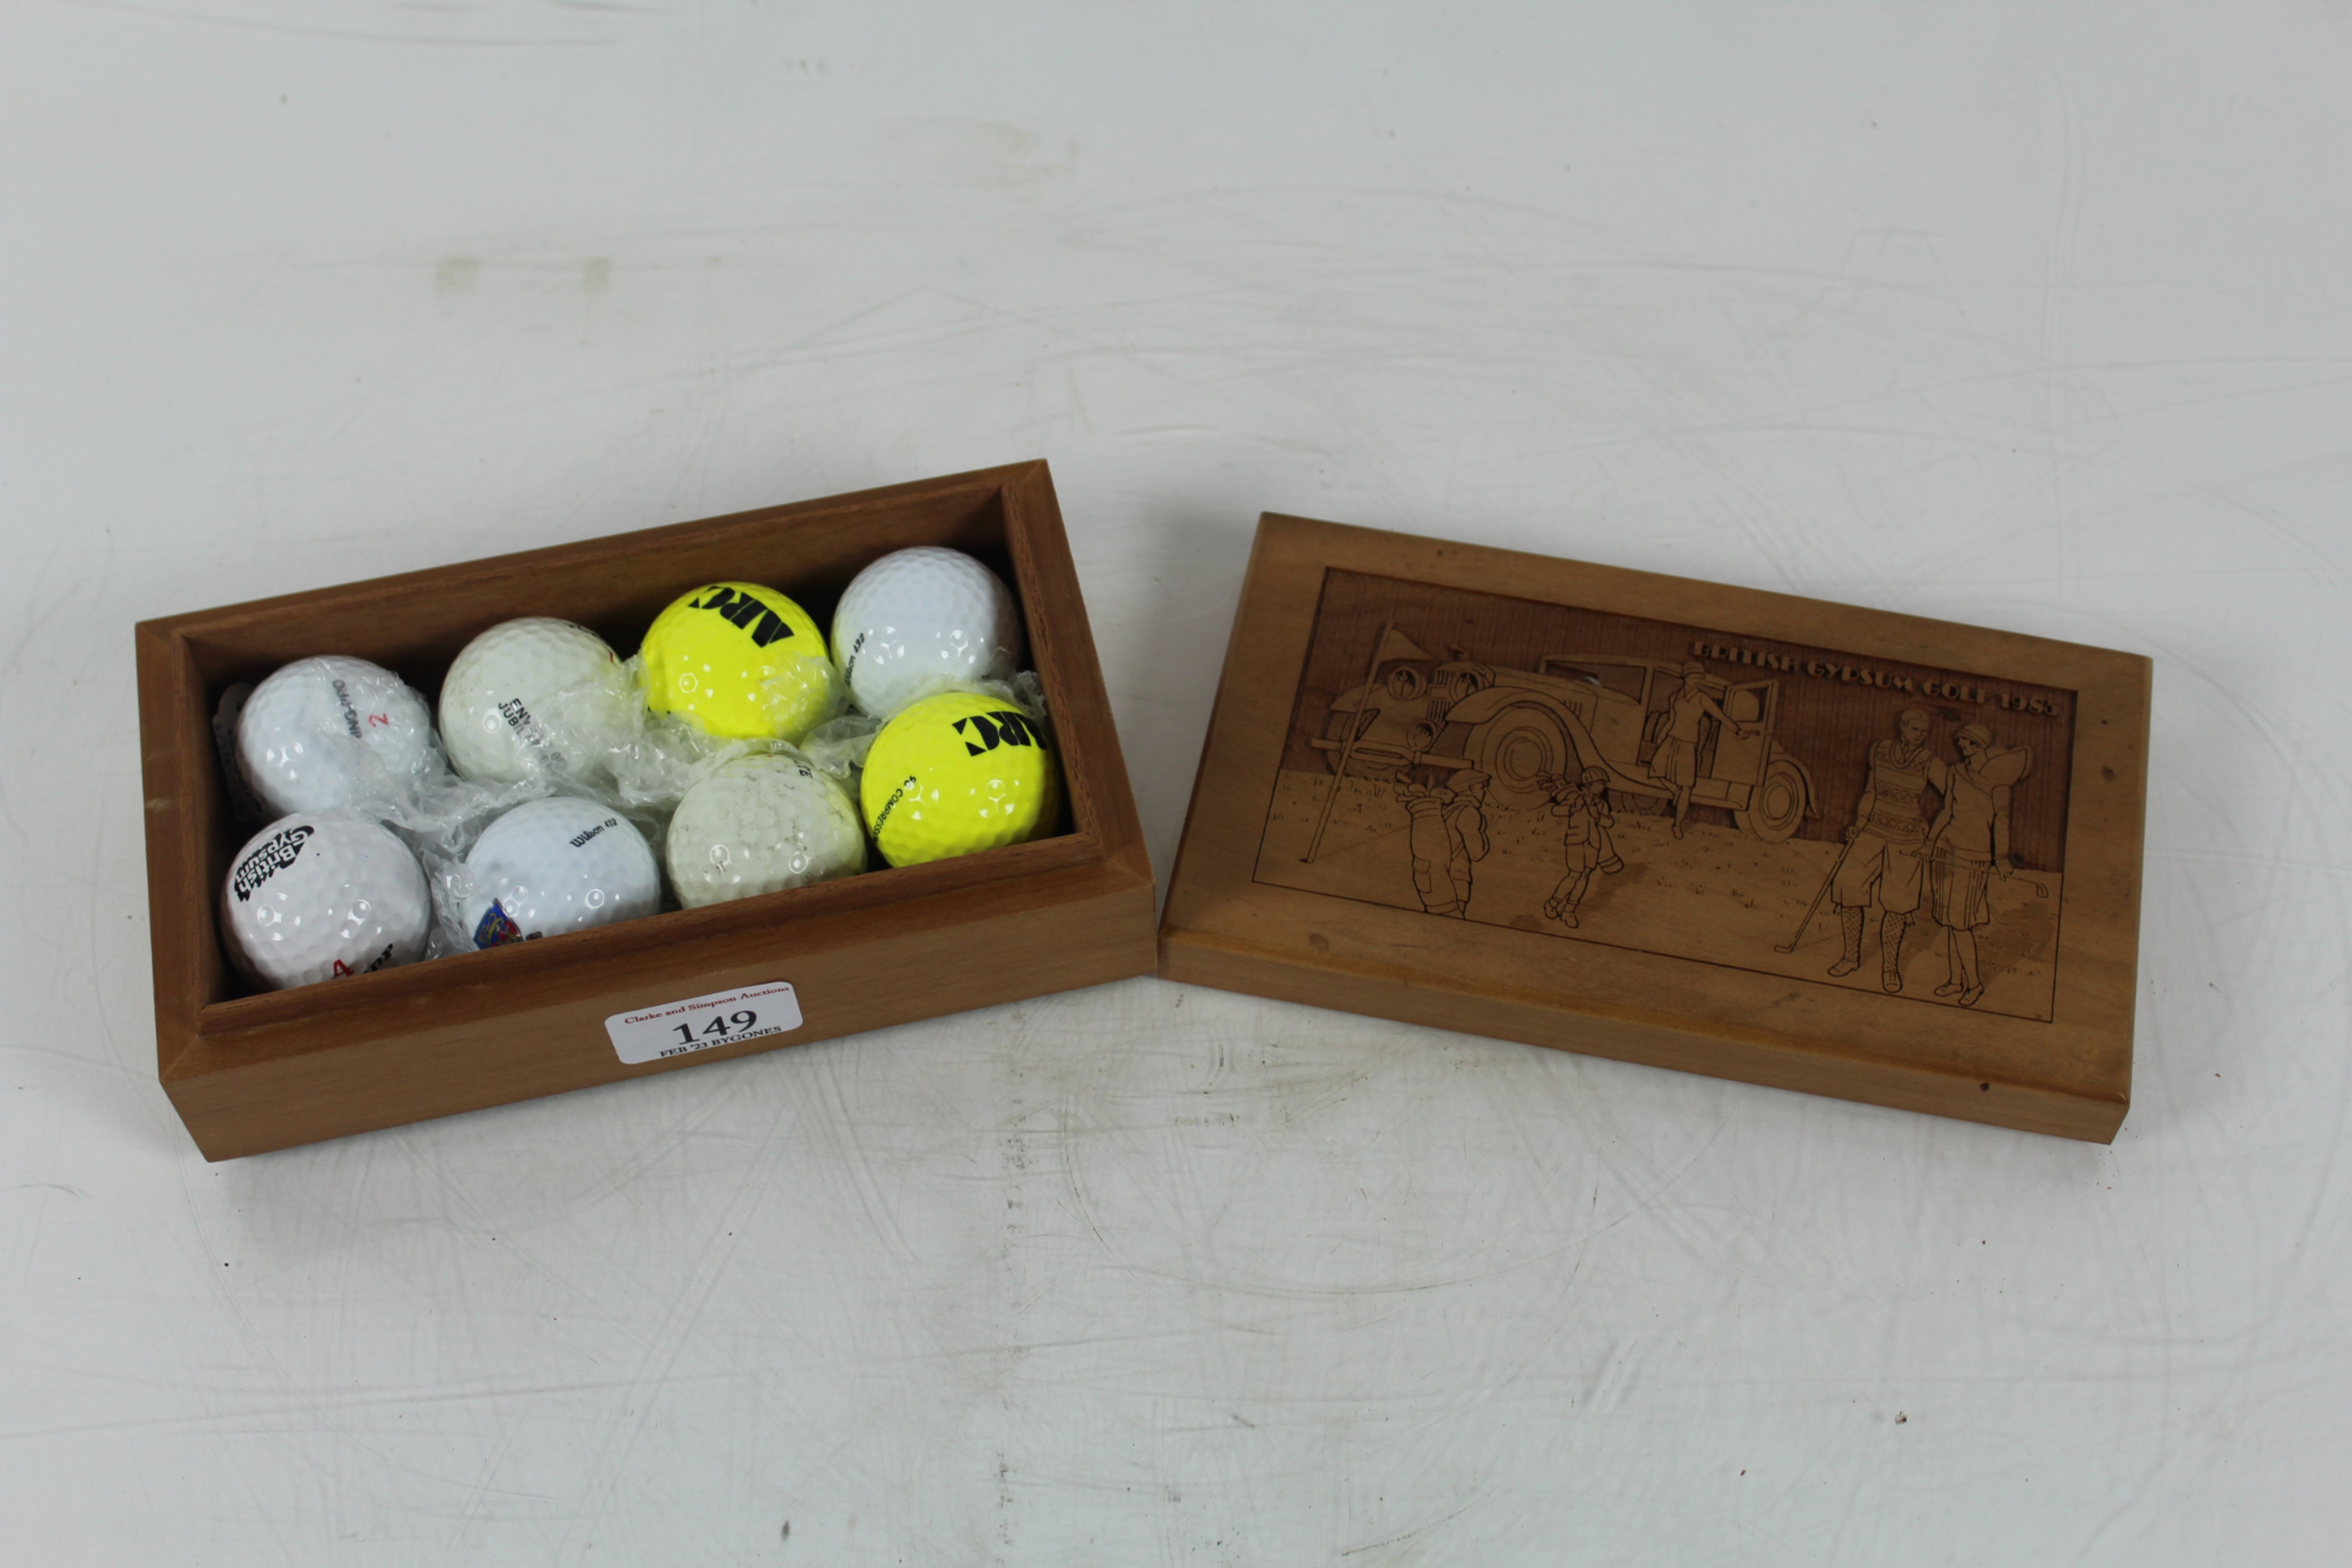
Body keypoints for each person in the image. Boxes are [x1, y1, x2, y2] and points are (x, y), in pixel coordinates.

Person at [1827, 706, 1950, 993]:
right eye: (1916, 729)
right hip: (1871, 833)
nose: (1921, 735)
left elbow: (1954, 799)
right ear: (1903, 727)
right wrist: (1860, 822)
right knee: (1849, 891)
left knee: (1897, 904)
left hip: (1907, 840)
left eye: (1925, 731)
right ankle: (1850, 958)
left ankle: (1890, 969)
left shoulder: (1929, 761)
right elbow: (1871, 790)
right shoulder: (1880, 750)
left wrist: (1932, 837)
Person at [1924, 724, 2030, 1008]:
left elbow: (2001, 820)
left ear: (1980, 745)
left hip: (1975, 856)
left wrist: (2001, 857)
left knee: (1962, 925)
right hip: (1947, 851)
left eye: (1967, 742)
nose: (1961, 746)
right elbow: (1947, 811)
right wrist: (1930, 841)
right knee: (1949, 921)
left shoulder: (1999, 782)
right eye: (1960, 741)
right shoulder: (1956, 772)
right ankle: (1955, 981)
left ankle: (1974, 984)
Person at [1650, 667, 1757, 840]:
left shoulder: (1702, 698)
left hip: (1688, 744)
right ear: (1686, 677)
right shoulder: (1675, 697)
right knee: (1656, 771)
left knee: (1687, 787)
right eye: (1695, 677)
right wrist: (1662, 734)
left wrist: (1738, 731)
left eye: (1701, 678)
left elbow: (1721, 716)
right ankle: (1676, 793)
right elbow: (1672, 720)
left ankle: (1677, 825)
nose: (1698, 681)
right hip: (1671, 739)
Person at [1400, 769, 1490, 917]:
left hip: (1433, 877)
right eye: (1482, 787)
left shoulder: (1448, 811)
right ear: (1472, 789)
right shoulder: (1469, 813)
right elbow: (1477, 853)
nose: (1484, 792)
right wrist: (1483, 831)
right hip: (1454, 880)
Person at [1541, 765, 1622, 928]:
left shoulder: (1601, 805)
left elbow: (1609, 822)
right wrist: (1573, 809)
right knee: (1574, 875)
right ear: (1590, 784)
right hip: (1576, 841)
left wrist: (1597, 816)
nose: (1604, 787)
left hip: (1594, 844)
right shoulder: (1577, 798)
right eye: (1602, 783)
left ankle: (1569, 910)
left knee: (1584, 876)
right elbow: (1556, 811)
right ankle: (1553, 904)